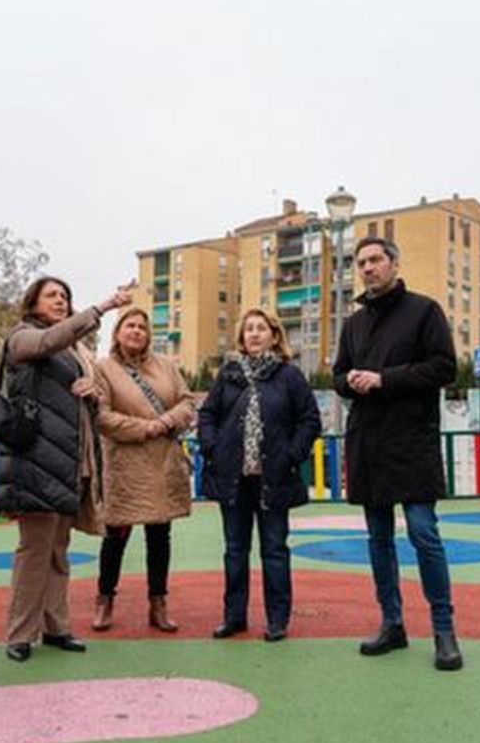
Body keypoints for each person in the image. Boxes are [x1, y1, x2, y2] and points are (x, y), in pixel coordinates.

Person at [332, 236, 463, 671]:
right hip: (368, 443)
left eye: (375, 260)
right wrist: (349, 379)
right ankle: (392, 624)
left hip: (412, 441)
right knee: (378, 540)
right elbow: (335, 374)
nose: (367, 268)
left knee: (424, 533)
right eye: (361, 262)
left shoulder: (424, 311)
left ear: (393, 263)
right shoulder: (353, 324)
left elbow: (444, 367)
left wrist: (384, 379)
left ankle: (444, 631)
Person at [0, 276, 132, 661]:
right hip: (35, 460)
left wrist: (91, 392)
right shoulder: (23, 337)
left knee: (57, 550)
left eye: (66, 296)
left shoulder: (73, 351)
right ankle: (20, 634)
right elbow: (45, 342)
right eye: (52, 295)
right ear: (32, 301)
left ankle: (57, 627)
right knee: (34, 550)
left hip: (66, 460)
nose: (61, 300)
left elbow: (79, 397)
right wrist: (101, 308)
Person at [196, 308, 320, 642]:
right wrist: (212, 445)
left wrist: (292, 454)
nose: (254, 334)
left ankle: (277, 619)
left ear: (274, 335)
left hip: (274, 478)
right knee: (235, 550)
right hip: (233, 478)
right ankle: (234, 617)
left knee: (274, 549)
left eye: (261, 328)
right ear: (241, 337)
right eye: (248, 329)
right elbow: (207, 414)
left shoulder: (289, 376)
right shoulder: (228, 374)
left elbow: (309, 420)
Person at [90, 308, 196, 633]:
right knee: (116, 535)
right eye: (129, 325)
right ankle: (105, 598)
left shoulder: (166, 365)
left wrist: (166, 421)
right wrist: (145, 428)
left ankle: (158, 603)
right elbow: (101, 417)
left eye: (142, 327)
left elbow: (187, 402)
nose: (136, 331)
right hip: (124, 463)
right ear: (117, 332)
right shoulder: (102, 369)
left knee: (160, 536)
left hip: (163, 461)